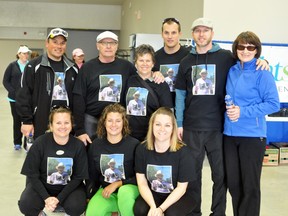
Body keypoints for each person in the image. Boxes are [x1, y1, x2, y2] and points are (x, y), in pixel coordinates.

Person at [175, 17, 270, 216]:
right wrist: (180, 123)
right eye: (197, 30)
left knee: (221, 177)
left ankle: (218, 213)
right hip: (192, 127)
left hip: (218, 128)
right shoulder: (185, 62)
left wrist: (264, 60)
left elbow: (248, 60)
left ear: (212, 33)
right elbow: (181, 96)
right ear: (192, 34)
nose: (201, 34)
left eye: (205, 30)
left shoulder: (226, 57)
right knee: (192, 176)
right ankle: (194, 213)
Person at [223, 31, 279, 216]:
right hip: (230, 136)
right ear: (236, 49)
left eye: (250, 47)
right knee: (234, 184)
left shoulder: (262, 73)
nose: (245, 50)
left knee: (250, 187)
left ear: (257, 50)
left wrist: (243, 111)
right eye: (241, 46)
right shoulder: (232, 70)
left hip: (252, 136)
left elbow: (273, 104)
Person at [73, 31, 164, 145]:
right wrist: (80, 129)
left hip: (117, 123)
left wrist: (155, 73)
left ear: (117, 46)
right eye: (104, 43)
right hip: (92, 122)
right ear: (97, 45)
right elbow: (78, 97)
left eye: (112, 43)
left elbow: (142, 76)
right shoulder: (87, 68)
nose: (108, 46)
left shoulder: (126, 67)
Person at [18, 106, 89, 216]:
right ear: (51, 126)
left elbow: (78, 178)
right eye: (58, 123)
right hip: (43, 186)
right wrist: (46, 198)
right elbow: (32, 174)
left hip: (69, 188)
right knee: (26, 205)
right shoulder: (40, 143)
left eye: (66, 122)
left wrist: (58, 198)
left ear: (71, 125)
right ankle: (40, 214)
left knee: (77, 206)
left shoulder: (78, 145)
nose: (63, 126)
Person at [16, 28, 78, 140]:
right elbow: (24, 94)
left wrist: (78, 126)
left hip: (66, 125)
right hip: (40, 122)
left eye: (62, 43)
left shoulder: (73, 68)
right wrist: (26, 121)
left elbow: (79, 97)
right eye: (55, 42)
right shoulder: (33, 66)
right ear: (47, 43)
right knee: (39, 155)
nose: (59, 46)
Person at [133, 107, 196, 216]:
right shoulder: (142, 149)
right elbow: (142, 183)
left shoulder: (184, 152)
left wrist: (161, 209)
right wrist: (153, 207)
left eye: (167, 125)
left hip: (182, 194)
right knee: (140, 209)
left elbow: (181, 188)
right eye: (158, 124)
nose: (162, 129)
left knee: (171, 213)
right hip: (155, 193)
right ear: (152, 126)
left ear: (173, 128)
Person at [86, 103, 140, 216]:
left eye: (118, 121)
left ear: (124, 122)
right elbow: (92, 175)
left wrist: (118, 183)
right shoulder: (96, 145)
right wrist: (89, 196)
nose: (113, 124)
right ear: (104, 122)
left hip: (129, 190)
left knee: (124, 193)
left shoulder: (134, 145)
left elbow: (141, 178)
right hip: (107, 191)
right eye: (110, 120)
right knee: (92, 212)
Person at [126, 44, 173, 141]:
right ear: (135, 63)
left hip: (152, 135)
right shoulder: (129, 81)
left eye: (148, 61)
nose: (144, 64)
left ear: (153, 64)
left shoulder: (160, 84)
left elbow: (167, 112)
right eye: (141, 60)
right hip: (129, 134)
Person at [153, 17, 190, 106]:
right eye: (166, 33)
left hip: (185, 109)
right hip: (163, 108)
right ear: (162, 34)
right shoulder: (155, 57)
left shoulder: (189, 56)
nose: (170, 37)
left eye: (173, 33)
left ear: (180, 34)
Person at [2, 45, 31, 150]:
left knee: (28, 120)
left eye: (27, 53)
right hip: (14, 99)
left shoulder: (30, 66)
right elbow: (5, 81)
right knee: (17, 120)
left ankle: (27, 144)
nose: (26, 55)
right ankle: (17, 142)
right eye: (24, 53)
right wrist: (13, 92)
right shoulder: (12, 65)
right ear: (18, 54)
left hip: (27, 99)